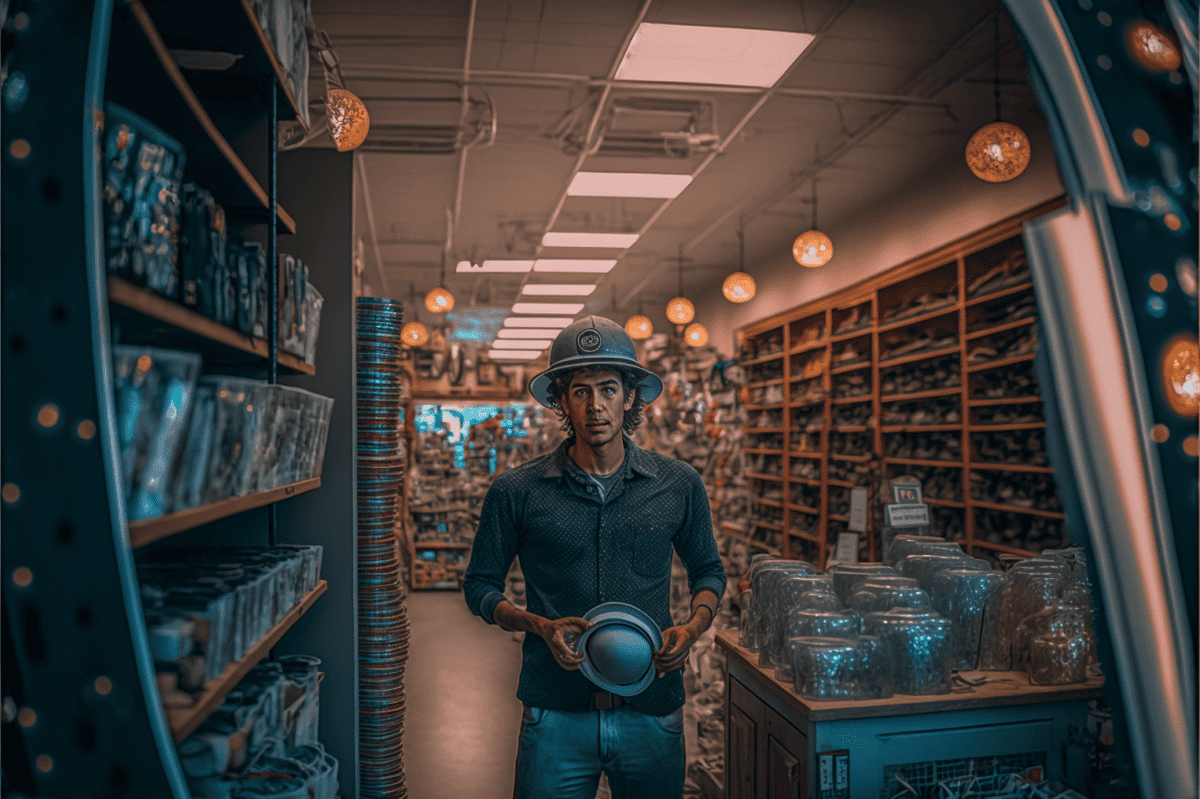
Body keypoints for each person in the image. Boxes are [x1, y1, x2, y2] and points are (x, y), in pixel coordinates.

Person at [463, 315, 726, 799]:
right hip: (555, 711)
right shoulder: (516, 492)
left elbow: (708, 571)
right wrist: (536, 624)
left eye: (608, 389)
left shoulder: (678, 484)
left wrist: (692, 629)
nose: (595, 406)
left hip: (652, 707)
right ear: (561, 401)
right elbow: (479, 586)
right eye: (580, 391)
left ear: (630, 397)